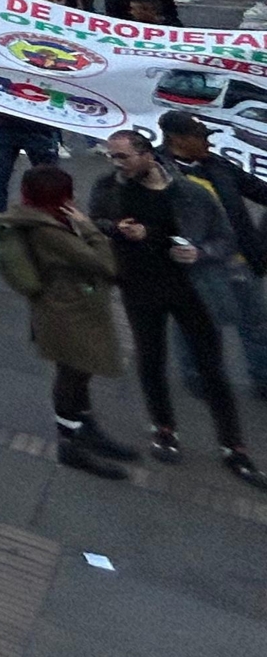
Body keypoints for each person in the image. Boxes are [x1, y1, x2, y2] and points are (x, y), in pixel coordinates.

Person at [87, 130, 261, 485]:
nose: (116, 164)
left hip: (190, 288)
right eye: (111, 157)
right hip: (139, 287)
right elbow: (97, 223)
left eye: (122, 156)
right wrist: (118, 230)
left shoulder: (190, 192)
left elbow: (225, 239)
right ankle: (164, 429)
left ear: (147, 155)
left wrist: (199, 253)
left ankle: (234, 447)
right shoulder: (110, 187)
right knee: (150, 359)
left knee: (212, 367)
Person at [0, 166, 137, 478]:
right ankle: (71, 442)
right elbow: (105, 265)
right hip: (69, 312)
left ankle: (84, 428)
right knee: (73, 372)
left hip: (63, 308)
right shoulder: (49, 231)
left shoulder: (35, 218)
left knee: (78, 371)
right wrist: (90, 229)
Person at [157, 109, 267, 399]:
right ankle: (200, 379)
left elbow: (259, 190)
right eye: (200, 137)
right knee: (201, 327)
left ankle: (263, 379)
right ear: (176, 139)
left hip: (240, 262)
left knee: (255, 323)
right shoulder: (157, 172)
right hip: (198, 269)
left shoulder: (217, 164)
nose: (208, 143)